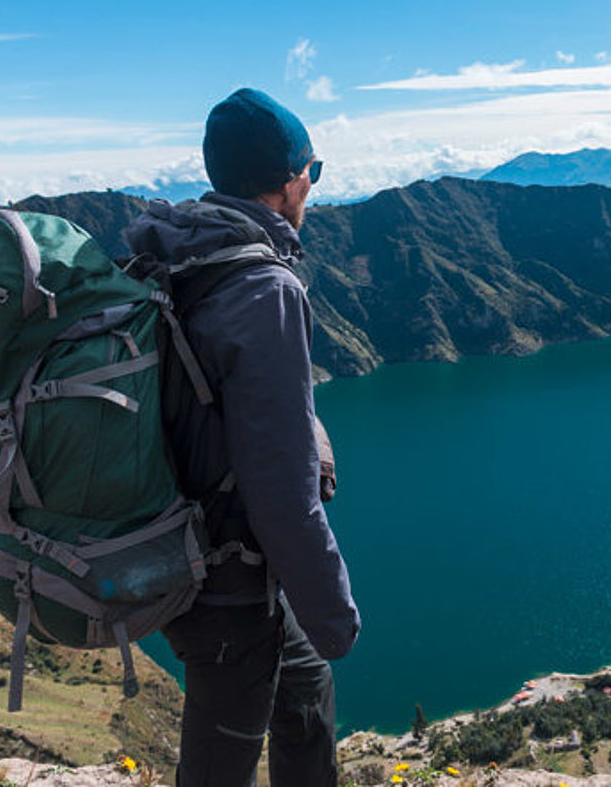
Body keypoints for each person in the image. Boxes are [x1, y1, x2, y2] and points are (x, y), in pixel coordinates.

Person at [125, 87, 360, 787]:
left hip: (185, 542)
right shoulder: (264, 289)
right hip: (223, 585)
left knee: (306, 692)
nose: (312, 190)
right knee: (219, 764)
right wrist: (336, 615)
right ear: (291, 180)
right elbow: (283, 490)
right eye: (312, 174)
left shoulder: (174, 252)